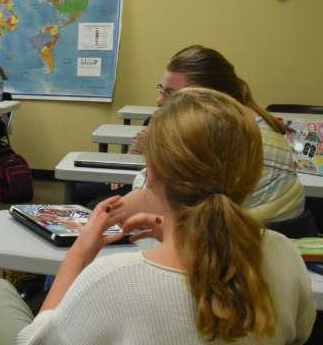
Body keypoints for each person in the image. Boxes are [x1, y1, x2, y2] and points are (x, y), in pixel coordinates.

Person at [0, 88, 316, 345]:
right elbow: (299, 333)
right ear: (252, 173)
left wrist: (79, 255)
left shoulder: (112, 278)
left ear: (153, 171)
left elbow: (33, 341)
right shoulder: (283, 254)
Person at [80, 45, 305, 226]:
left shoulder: (224, 137)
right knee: (92, 196)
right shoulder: (246, 120)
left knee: (94, 208)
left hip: (226, 238)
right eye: (161, 89)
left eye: (171, 93)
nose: (159, 101)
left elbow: (160, 196)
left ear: (209, 96)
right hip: (242, 229)